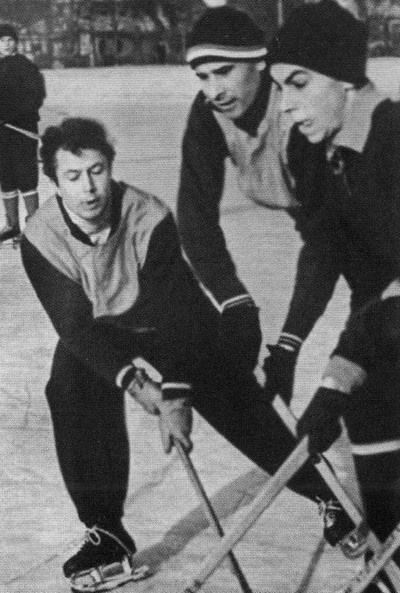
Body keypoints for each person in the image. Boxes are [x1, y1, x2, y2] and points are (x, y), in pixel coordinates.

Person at [21, 117, 349, 591]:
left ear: (110, 168)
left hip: (171, 318)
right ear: (55, 181)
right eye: (73, 176)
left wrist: (175, 396)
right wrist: (138, 385)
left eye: (96, 171)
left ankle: (324, 492)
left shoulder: (148, 215)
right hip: (101, 328)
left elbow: (176, 313)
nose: (88, 188)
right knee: (70, 385)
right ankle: (106, 531)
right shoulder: (40, 235)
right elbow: (73, 327)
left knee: (230, 393)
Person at [177, 4, 364, 557]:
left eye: (225, 72)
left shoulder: (296, 114)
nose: (213, 89)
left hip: (372, 226)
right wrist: (234, 301)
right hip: (333, 230)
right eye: (202, 75)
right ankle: (333, 494)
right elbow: (195, 220)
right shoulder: (208, 115)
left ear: (260, 64)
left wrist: (288, 344)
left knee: (369, 369)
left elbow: (327, 243)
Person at [267, 1, 400, 591]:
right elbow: (324, 251)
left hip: (384, 326)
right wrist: (288, 346)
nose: (285, 104)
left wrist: (339, 375)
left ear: (346, 79)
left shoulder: (395, 138)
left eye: (299, 83)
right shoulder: (314, 151)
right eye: (278, 87)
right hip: (377, 329)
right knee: (383, 504)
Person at [0, 24, 45, 244]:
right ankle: (12, 225)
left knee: (26, 176)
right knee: (6, 177)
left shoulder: (26, 67)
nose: (7, 44)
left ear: (16, 43)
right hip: (1, 132)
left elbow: (36, 96)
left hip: (23, 130)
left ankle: (34, 225)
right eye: (2, 41)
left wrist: (11, 115)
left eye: (10, 40)